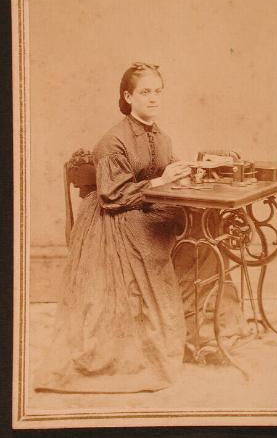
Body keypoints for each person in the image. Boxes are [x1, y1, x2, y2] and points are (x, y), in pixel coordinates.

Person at [34, 63, 192, 393]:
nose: (153, 98)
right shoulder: (113, 140)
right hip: (112, 218)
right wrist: (163, 180)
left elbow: (166, 169)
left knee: (199, 236)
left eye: (157, 91)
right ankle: (141, 351)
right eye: (145, 92)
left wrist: (183, 171)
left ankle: (199, 331)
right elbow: (112, 195)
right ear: (128, 96)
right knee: (151, 246)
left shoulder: (161, 137)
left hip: (144, 207)